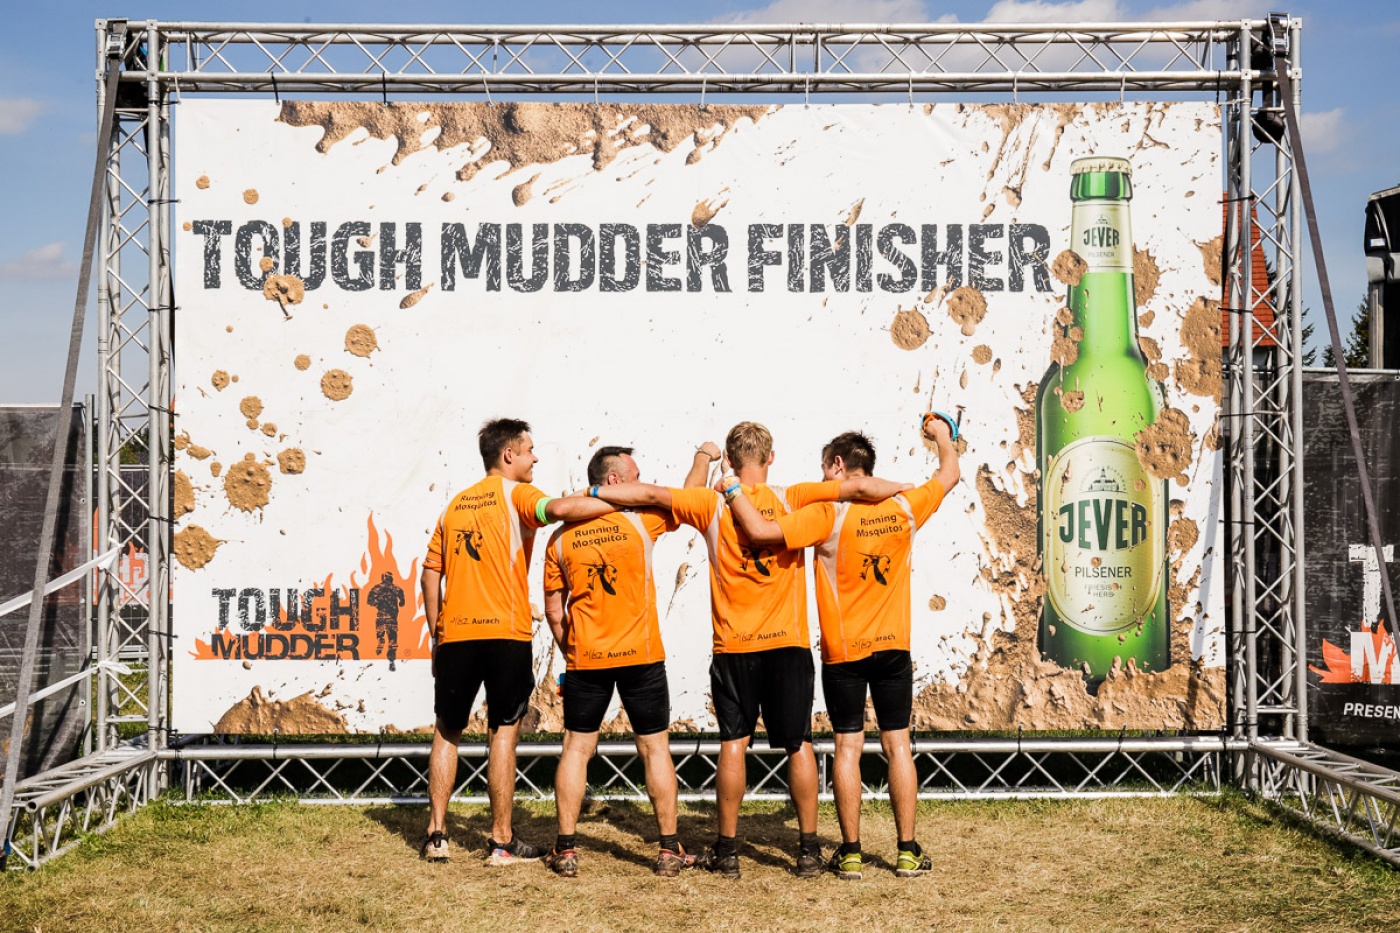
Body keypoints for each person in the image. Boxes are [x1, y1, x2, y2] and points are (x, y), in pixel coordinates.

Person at [592, 422, 909, 879]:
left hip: (735, 645)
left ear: (729, 460)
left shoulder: (711, 503)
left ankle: (727, 851)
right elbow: (858, 486)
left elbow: (650, 494)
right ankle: (808, 851)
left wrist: (597, 491)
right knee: (798, 745)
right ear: (771, 457)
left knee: (733, 744)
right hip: (787, 644)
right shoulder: (795, 496)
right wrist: (902, 488)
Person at [723, 414, 960, 880]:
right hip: (893, 647)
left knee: (847, 748)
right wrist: (941, 437)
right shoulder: (906, 506)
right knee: (898, 745)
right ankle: (907, 851)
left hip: (843, 652)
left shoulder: (827, 514)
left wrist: (731, 489)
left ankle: (850, 853)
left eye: (824, 470)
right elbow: (949, 473)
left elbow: (763, 534)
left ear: (836, 465)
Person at [419, 418, 617, 865]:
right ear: (508, 455)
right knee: (503, 733)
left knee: (447, 730)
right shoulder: (517, 494)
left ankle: (437, 835)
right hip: (505, 633)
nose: (535, 458)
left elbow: (430, 574)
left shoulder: (454, 505)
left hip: (456, 634)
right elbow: (561, 509)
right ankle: (500, 841)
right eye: (529, 451)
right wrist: (611, 496)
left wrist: (437, 634)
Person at [540, 443, 714, 878]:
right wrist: (702, 457)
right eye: (636, 476)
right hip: (641, 654)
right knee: (654, 748)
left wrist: (573, 651)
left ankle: (565, 850)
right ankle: (669, 850)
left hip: (587, 659)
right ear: (614, 480)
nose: (643, 483)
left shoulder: (559, 538)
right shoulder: (639, 520)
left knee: (576, 748)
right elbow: (689, 497)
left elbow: (554, 611)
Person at [366, 571, 405, 671]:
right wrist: (399, 603)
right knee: (392, 637)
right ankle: (391, 659)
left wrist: (378, 603)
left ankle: (381, 641)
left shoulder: (377, 588)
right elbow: (402, 600)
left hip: (381, 615)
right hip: (392, 617)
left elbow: (369, 601)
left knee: (380, 632)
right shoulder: (396, 588)